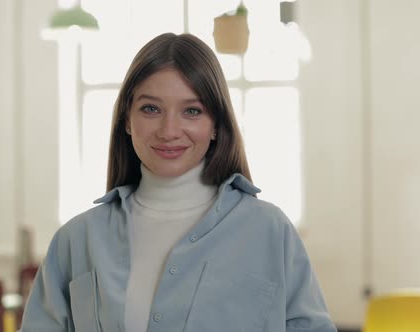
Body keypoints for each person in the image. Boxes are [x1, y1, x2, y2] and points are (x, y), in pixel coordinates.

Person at [20, 32, 337, 332]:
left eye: (192, 111)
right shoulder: (76, 240)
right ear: (126, 121)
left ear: (216, 125)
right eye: (151, 108)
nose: (169, 130)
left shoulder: (270, 230)